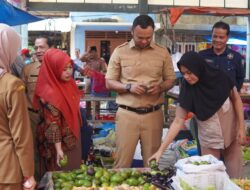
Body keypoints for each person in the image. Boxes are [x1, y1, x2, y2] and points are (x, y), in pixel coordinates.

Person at [149, 51, 246, 178]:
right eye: (183, 73)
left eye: (189, 72)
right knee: (210, 177)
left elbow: (236, 99)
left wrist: (241, 128)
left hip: (231, 132)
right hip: (209, 135)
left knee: (235, 177)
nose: (187, 77)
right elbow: (178, 120)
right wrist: (160, 150)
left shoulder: (220, 77)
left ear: (198, 67)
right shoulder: (187, 89)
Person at [105, 15, 176, 168]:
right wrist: (128, 87)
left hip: (153, 114)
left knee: (152, 164)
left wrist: (160, 87)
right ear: (132, 32)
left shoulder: (162, 53)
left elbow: (170, 80)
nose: (144, 41)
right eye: (140, 37)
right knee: (121, 164)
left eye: (148, 38)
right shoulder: (120, 52)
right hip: (127, 115)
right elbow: (109, 82)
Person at [33, 49, 82, 175]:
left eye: (70, 67)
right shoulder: (50, 93)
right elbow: (53, 125)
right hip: (58, 145)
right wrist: (59, 149)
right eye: (63, 69)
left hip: (71, 139)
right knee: (60, 178)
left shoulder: (69, 84)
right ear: (53, 69)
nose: (68, 72)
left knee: (73, 177)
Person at [0, 24, 36, 190]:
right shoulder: (12, 85)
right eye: (14, 50)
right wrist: (29, 174)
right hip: (7, 169)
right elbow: (21, 135)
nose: (15, 55)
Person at [21, 35, 53, 180]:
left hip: (52, 117)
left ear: (50, 48)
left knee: (51, 150)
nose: (38, 50)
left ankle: (50, 180)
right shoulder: (27, 69)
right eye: (36, 47)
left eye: (42, 47)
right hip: (32, 116)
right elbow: (21, 94)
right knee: (32, 150)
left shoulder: (58, 68)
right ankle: (35, 181)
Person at [199, 21, 245, 92]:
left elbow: (240, 78)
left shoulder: (236, 57)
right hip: (206, 99)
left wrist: (234, 94)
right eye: (215, 36)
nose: (217, 40)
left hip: (229, 99)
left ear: (227, 38)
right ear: (211, 36)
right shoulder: (202, 56)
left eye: (221, 37)